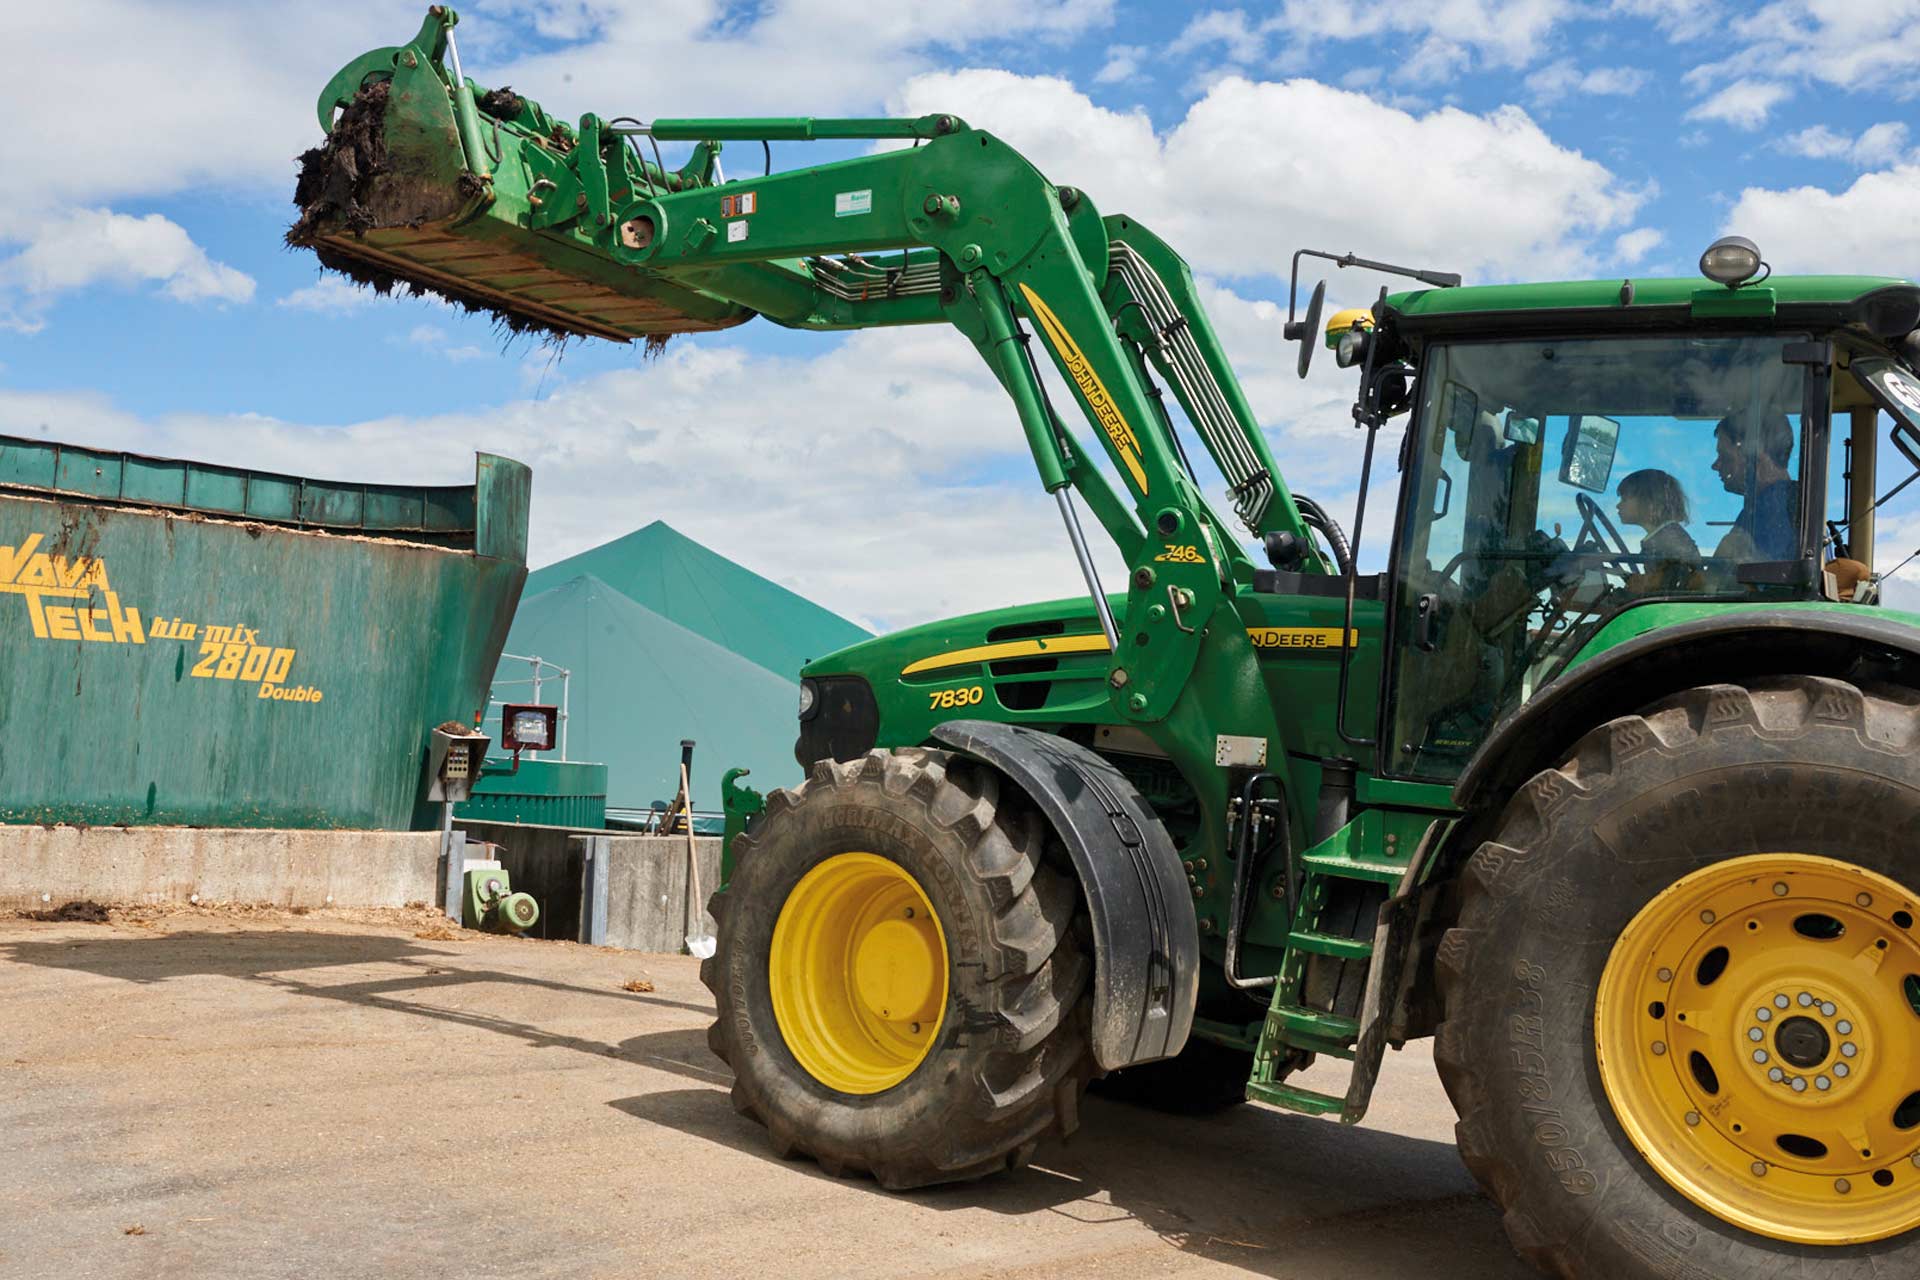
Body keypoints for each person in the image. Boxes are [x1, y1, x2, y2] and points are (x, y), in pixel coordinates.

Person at [1710, 410, 1800, 562]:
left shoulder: (1771, 508)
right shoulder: (1792, 500)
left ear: (1755, 456)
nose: (1715, 465)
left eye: (1725, 456)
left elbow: (1761, 579)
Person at [1615, 468, 1698, 592]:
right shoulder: (1665, 535)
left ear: (1650, 502)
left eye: (1625, 499)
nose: (1618, 505)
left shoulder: (1667, 540)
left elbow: (1665, 584)